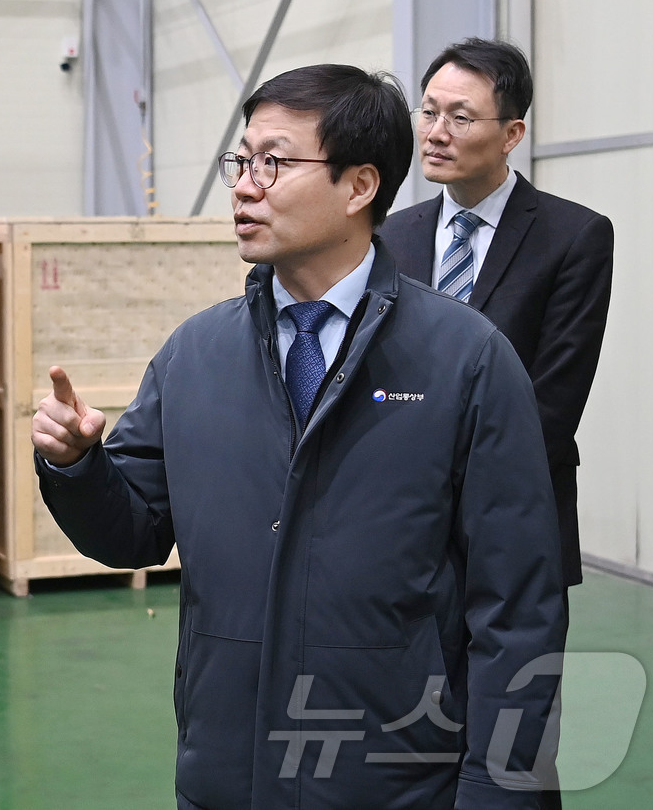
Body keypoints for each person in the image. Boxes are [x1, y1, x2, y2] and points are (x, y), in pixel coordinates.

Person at [32, 64, 566, 809]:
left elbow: (517, 613)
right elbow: (133, 531)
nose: (245, 187)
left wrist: (497, 793)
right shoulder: (196, 356)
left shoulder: (465, 362)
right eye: (242, 161)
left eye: (274, 163)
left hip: (396, 784)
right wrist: (79, 466)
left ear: (359, 186)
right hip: (229, 778)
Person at [380, 37, 613, 595]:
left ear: (512, 134)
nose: (436, 133)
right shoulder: (390, 235)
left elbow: (553, 402)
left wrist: (449, 486)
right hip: (399, 525)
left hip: (515, 519)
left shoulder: (573, 237)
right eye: (429, 112)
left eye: (460, 118)